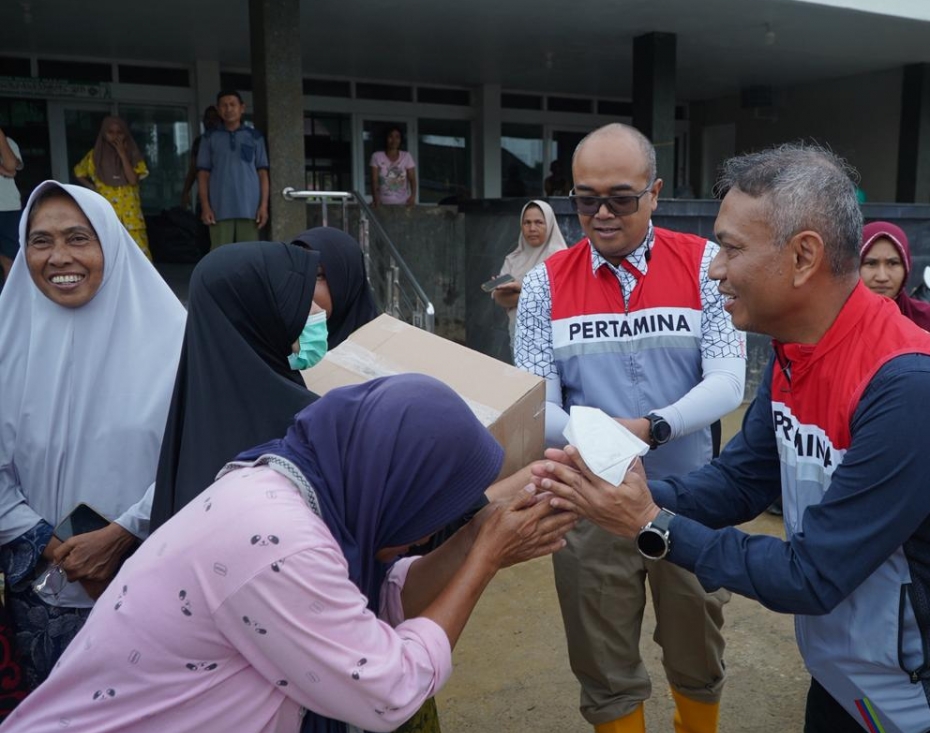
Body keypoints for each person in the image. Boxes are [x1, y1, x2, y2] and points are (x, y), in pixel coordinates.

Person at [533, 143, 930, 733]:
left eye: (732, 248)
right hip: (848, 687)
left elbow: (812, 574)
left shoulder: (912, 388)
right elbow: (743, 480)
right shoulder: (795, 351)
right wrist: (623, 487)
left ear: (803, 257)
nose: (715, 268)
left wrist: (651, 523)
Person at [1, 374, 576, 733]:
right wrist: (482, 560)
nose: (424, 539)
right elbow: (388, 690)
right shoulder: (276, 540)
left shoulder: (300, 484)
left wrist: (481, 536)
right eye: (425, 523)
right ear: (388, 487)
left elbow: (389, 596)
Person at [514, 123, 746, 733]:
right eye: (586, 199)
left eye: (621, 197)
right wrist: (606, 443)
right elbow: (537, 397)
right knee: (603, 657)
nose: (602, 213)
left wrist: (651, 428)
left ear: (655, 192)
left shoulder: (703, 265)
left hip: (688, 497)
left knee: (698, 639)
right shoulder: (545, 282)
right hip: (588, 499)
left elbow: (727, 380)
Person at [0, 181, 186, 688]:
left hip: (157, 589)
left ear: (110, 242)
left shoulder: (175, 341)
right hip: (43, 597)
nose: (59, 256)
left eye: (78, 238)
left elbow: (196, 455)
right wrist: (47, 543)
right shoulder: (7, 338)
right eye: (40, 241)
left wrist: (123, 533)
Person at [149, 242, 323, 531]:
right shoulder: (310, 422)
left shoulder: (192, 411)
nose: (317, 309)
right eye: (299, 297)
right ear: (257, 310)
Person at [859, 221, 930, 348]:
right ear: (854, 267)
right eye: (871, 263)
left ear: (906, 266)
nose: (882, 277)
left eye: (893, 263)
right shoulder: (835, 323)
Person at [72, 116, 152, 259]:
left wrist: (122, 154)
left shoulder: (132, 154)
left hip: (132, 218)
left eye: (119, 132)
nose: (115, 136)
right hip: (106, 215)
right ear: (104, 133)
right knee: (108, 255)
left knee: (139, 256)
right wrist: (92, 188)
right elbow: (79, 172)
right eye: (110, 132)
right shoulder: (94, 157)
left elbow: (133, 180)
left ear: (125, 134)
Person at [197, 90, 270, 246]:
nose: (228, 109)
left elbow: (262, 173)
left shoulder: (255, 137)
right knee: (220, 257)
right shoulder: (209, 138)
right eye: (224, 105)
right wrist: (205, 206)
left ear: (242, 108)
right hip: (219, 209)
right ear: (218, 109)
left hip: (249, 209)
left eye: (232, 105)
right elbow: (203, 174)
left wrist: (263, 206)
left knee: (248, 256)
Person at [491, 200, 567, 346]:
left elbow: (562, 297)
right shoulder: (513, 259)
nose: (532, 228)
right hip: (519, 335)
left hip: (554, 337)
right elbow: (499, 298)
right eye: (527, 223)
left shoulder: (562, 258)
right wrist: (534, 294)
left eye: (539, 222)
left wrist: (519, 291)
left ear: (549, 224)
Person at [292, 227, 379, 349]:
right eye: (294, 273)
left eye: (317, 275)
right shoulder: (274, 349)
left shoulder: (384, 350)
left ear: (346, 283)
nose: (299, 286)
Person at [180, 105, 222, 210]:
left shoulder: (225, 141)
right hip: (204, 197)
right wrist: (186, 191)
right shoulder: (199, 142)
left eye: (214, 118)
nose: (210, 121)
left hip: (223, 196)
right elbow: (193, 169)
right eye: (207, 118)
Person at [370, 126, 417, 207]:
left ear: (401, 139)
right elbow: (374, 180)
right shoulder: (376, 156)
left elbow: (412, 179)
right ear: (386, 139)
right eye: (390, 136)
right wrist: (376, 199)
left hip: (403, 204)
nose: (394, 140)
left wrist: (413, 197)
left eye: (397, 137)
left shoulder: (406, 156)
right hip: (381, 204)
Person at [0, 126, 22, 287]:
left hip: (8, 207)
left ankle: (9, 303)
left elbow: (11, 166)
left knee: (11, 259)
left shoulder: (8, 143)